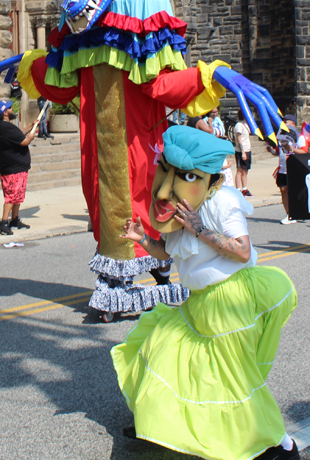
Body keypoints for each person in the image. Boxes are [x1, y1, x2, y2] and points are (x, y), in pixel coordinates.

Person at [112, 126, 299, 460]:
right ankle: (157, 424)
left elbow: (242, 250)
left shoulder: (222, 202)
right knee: (159, 348)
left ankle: (280, 443)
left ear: (212, 180)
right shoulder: (178, 209)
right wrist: (142, 238)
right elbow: (168, 253)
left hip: (231, 302)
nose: (169, 183)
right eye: (166, 170)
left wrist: (198, 227)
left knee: (231, 380)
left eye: (184, 174)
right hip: (199, 303)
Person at [0, 99, 35, 235]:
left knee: (18, 195)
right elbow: (24, 141)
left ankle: (15, 219)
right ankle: (3, 222)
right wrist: (32, 136)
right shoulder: (3, 127)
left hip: (19, 167)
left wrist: (31, 126)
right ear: (5, 112)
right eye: (10, 108)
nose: (12, 110)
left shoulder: (6, 126)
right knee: (11, 195)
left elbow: (18, 134)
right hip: (12, 168)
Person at [268, 114, 305, 225]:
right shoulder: (280, 136)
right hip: (283, 168)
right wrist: (271, 150)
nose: (284, 124)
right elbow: (278, 152)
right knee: (284, 191)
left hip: (295, 168)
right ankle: (289, 214)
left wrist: (292, 149)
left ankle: (299, 213)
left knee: (296, 192)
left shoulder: (300, 137)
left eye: (286, 121)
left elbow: (304, 152)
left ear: (293, 123)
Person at [234, 108, 253, 197]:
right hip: (241, 150)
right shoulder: (239, 125)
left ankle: (245, 189)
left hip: (247, 149)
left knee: (245, 171)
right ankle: (238, 190)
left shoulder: (246, 124)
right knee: (240, 170)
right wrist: (243, 152)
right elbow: (239, 138)